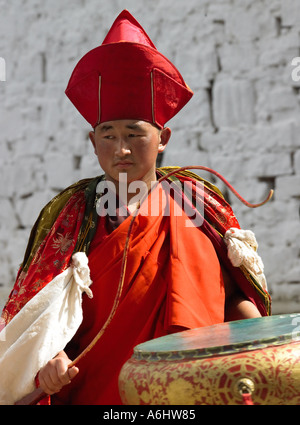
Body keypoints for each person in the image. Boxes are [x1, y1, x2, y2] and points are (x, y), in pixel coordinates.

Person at [1, 10, 271, 405]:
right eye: (108, 135)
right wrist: (50, 358)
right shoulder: (71, 214)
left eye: (134, 134)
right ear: (92, 142)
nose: (121, 149)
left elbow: (235, 300)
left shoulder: (198, 204)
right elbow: (33, 315)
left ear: (163, 137)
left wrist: (264, 347)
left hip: (193, 391)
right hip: (95, 393)